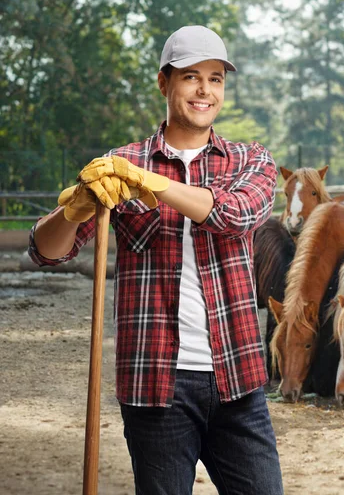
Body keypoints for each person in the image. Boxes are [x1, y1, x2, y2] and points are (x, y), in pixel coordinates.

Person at [28, 25, 284, 495]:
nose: (205, 90)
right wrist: (76, 207)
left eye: (216, 78)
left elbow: (234, 215)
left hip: (238, 379)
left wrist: (149, 182)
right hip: (154, 385)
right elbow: (46, 251)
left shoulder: (251, 161)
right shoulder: (116, 165)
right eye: (191, 77)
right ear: (164, 83)